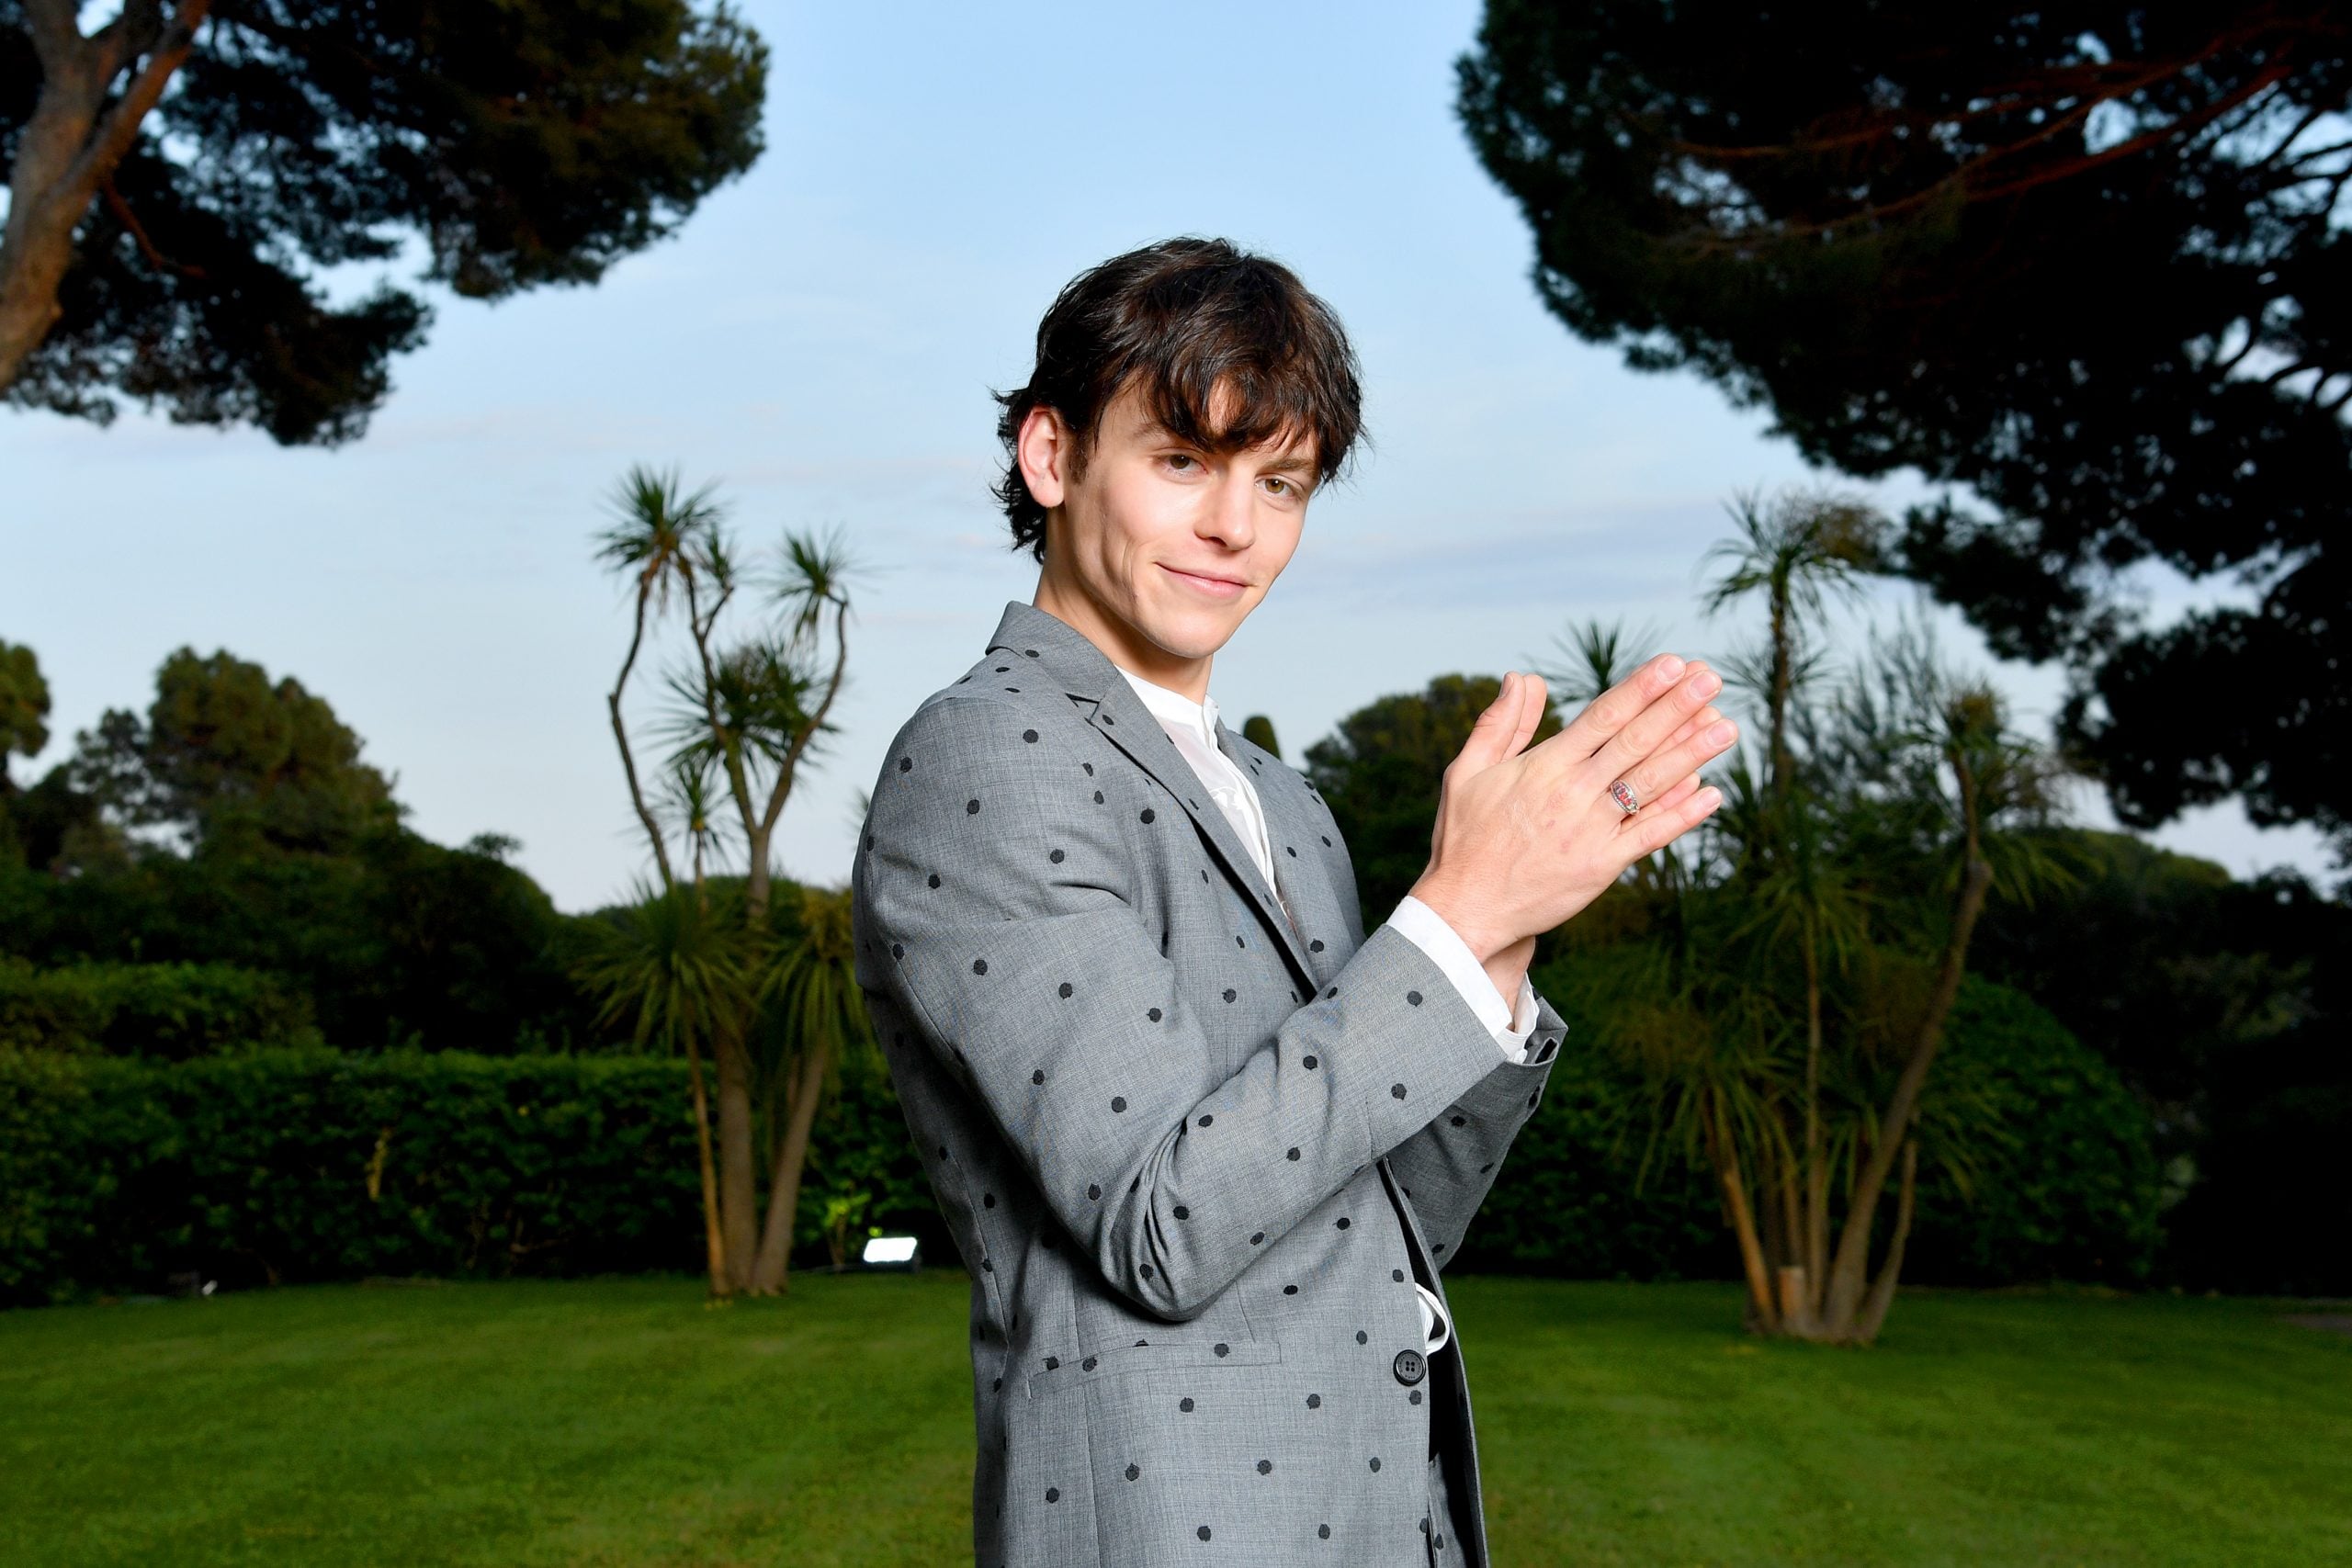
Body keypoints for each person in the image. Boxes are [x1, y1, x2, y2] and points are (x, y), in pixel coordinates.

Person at [850, 236, 1735, 1567]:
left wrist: (1498, 937)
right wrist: (1450, 917)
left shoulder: (1287, 801)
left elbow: (1383, 1227)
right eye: (1182, 461)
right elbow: (1162, 1223)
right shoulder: (989, 752)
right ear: (1052, 456)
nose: (1237, 528)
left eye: (1281, 482)